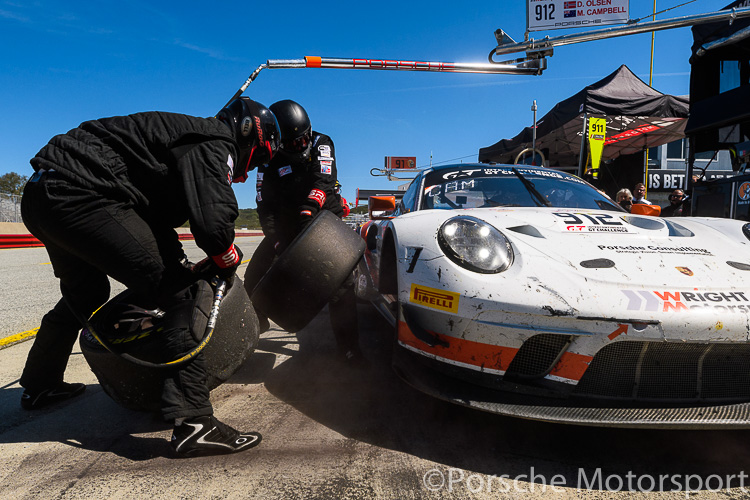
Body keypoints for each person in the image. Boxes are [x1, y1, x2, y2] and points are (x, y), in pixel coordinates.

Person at [19, 97, 280, 456]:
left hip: (42, 193)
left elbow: (148, 219)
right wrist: (225, 256)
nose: (249, 172)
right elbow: (213, 223)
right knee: (183, 294)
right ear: (252, 136)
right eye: (261, 158)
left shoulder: (179, 138)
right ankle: (194, 424)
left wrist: (182, 263)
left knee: (86, 294)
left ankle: (40, 384)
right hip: (82, 192)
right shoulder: (216, 140)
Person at [249, 99, 362, 362]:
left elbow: (323, 180)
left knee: (342, 286)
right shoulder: (268, 158)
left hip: (323, 220)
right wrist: (276, 239)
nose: (301, 146)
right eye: (293, 144)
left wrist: (309, 208)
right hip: (288, 223)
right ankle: (258, 323)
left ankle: (350, 349)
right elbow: (264, 203)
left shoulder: (322, 142)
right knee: (253, 278)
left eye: (303, 140)